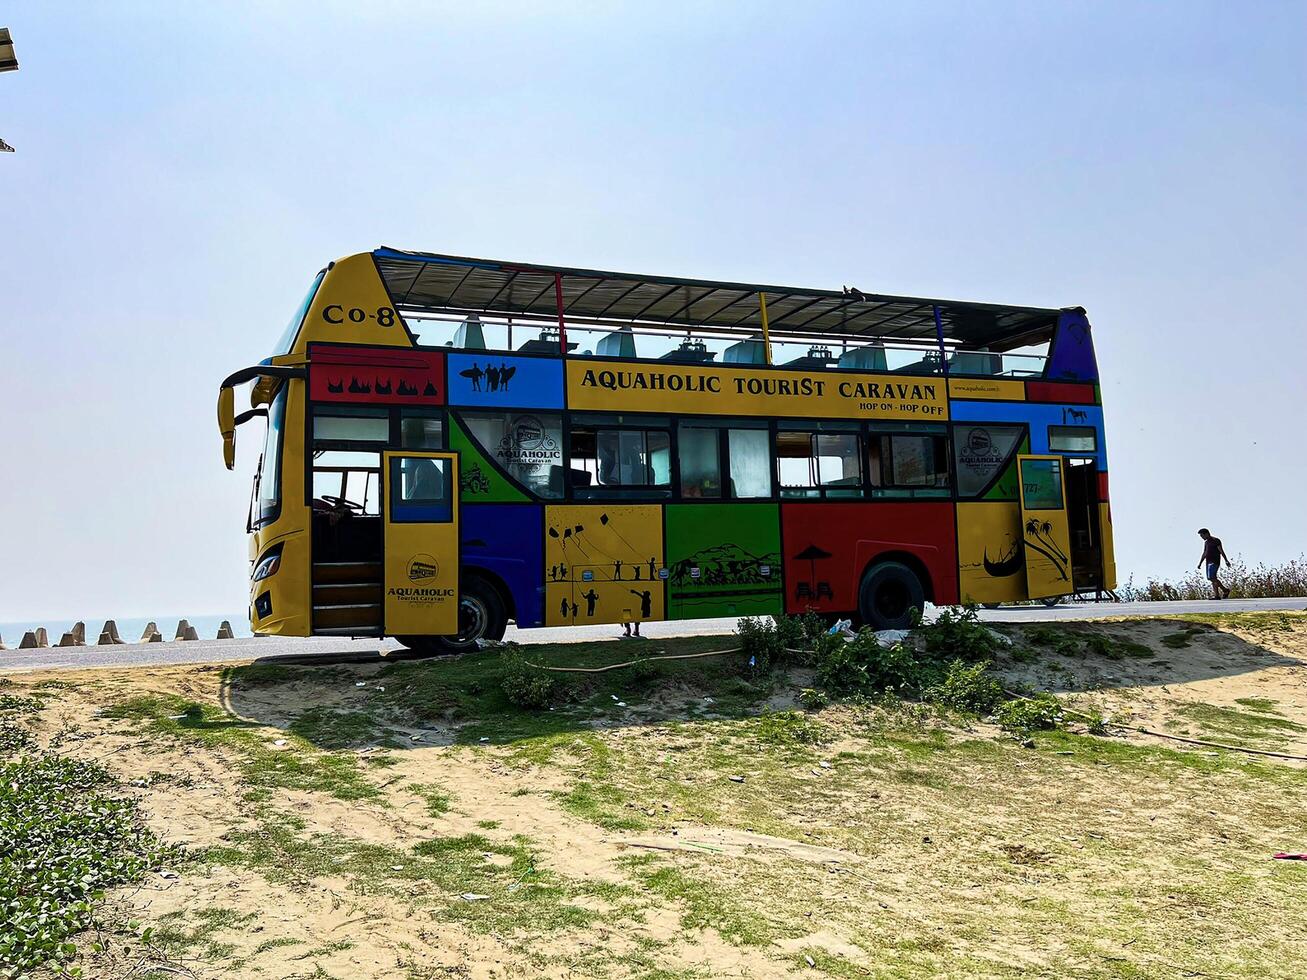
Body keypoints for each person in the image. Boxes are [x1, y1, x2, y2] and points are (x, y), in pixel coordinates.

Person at [1197, 528, 1231, 599]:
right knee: (1211, 578)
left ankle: (1217, 595)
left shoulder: (1216, 540)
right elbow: (1205, 553)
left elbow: (1221, 551)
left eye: (1202, 536)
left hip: (1215, 561)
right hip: (1208, 562)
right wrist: (1200, 563)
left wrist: (1226, 560)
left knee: (1212, 577)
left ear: (1206, 533)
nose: (1202, 537)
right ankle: (1224, 590)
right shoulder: (1206, 542)